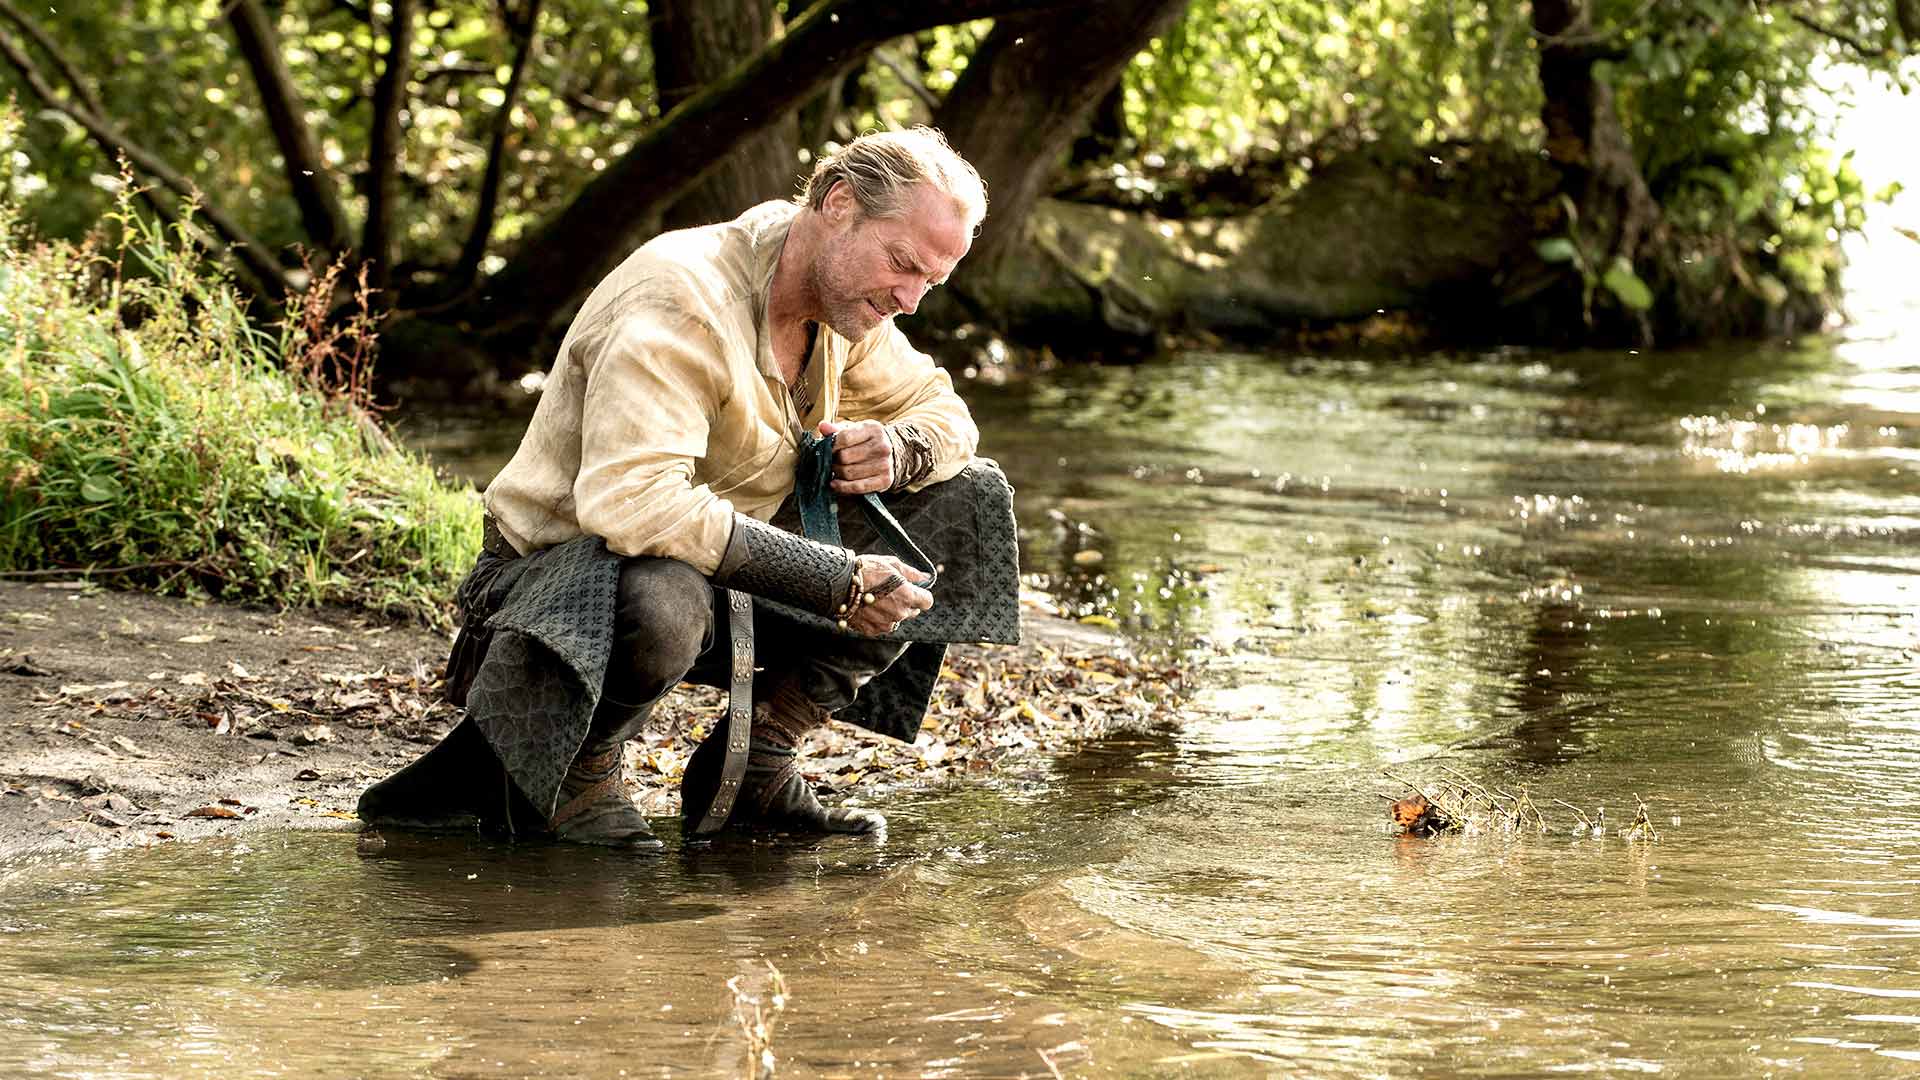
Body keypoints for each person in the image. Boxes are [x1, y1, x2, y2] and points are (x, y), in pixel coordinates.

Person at [357, 127, 1018, 851]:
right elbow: (633, 505)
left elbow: (946, 412)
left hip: (724, 576)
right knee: (666, 592)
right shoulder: (680, 296)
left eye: (930, 280)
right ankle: (578, 769)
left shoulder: (843, 297)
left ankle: (761, 759)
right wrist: (835, 577)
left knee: (968, 501)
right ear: (838, 204)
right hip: (565, 588)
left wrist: (903, 445)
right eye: (902, 264)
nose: (911, 299)